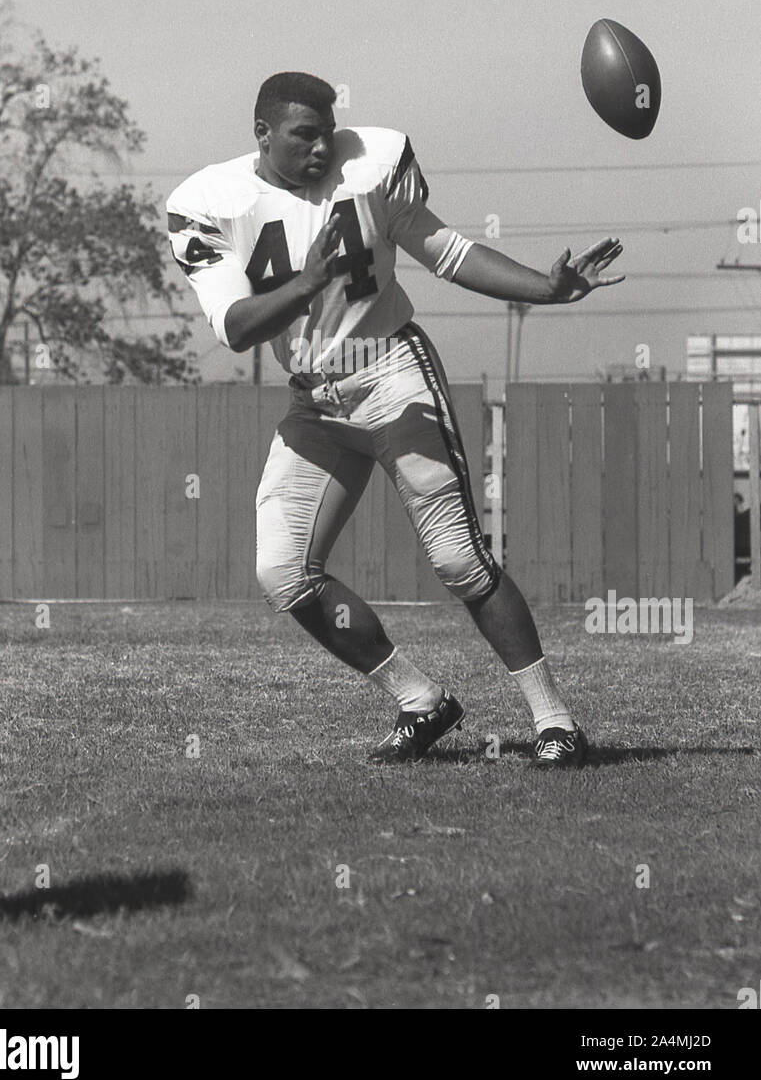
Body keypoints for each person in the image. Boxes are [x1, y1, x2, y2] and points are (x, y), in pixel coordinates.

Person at [167, 72, 624, 766]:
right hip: (314, 397)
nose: (321, 147)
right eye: (302, 135)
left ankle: (554, 721)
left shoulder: (373, 164)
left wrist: (545, 288)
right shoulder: (209, 201)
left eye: (326, 131)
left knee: (457, 558)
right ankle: (421, 701)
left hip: (390, 370)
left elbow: (446, 252)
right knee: (283, 573)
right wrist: (308, 282)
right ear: (261, 133)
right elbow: (235, 328)